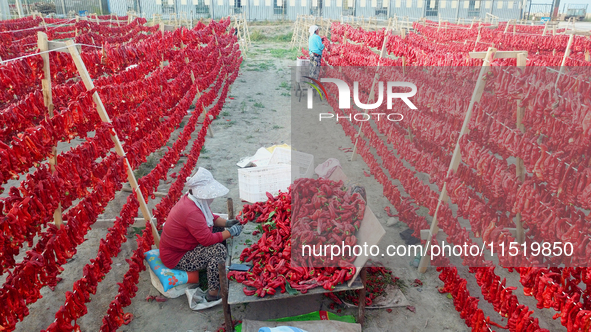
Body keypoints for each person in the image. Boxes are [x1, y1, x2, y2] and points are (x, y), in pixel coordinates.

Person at [160, 167, 243, 302]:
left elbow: (209, 217)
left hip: (184, 246)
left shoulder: (193, 200)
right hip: (177, 256)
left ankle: (214, 271)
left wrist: (227, 223)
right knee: (218, 250)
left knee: (218, 232)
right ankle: (213, 292)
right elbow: (206, 240)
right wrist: (230, 232)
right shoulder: (191, 211)